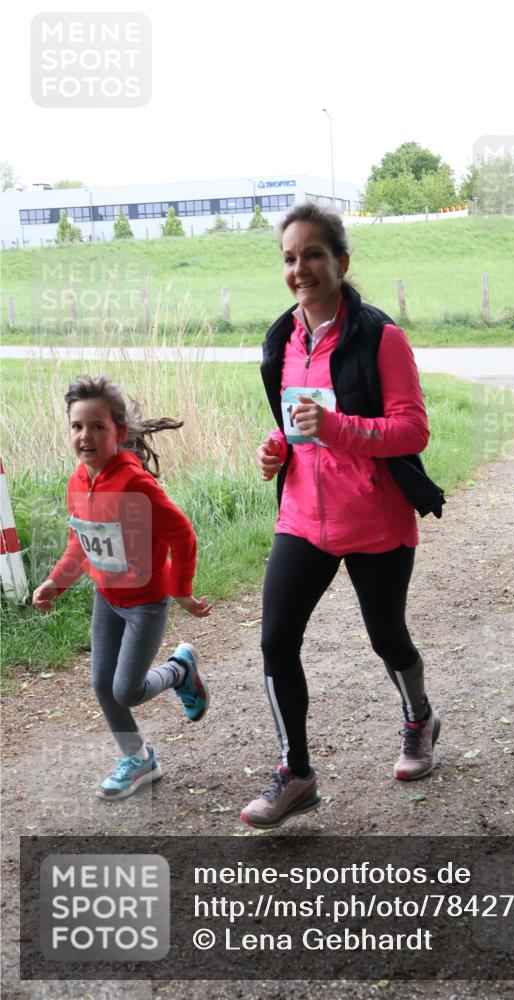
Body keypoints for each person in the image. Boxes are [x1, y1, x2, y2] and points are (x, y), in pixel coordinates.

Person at [241, 202, 443, 830]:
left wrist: (335, 428)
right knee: (276, 639)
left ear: (341, 261)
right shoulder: (281, 341)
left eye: (313, 255)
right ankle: (296, 772)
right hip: (303, 516)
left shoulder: (381, 337)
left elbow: (412, 430)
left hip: (375, 518)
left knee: (387, 637)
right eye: (289, 258)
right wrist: (278, 448)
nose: (299, 269)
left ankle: (419, 718)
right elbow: (295, 427)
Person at [32, 375, 212, 801]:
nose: (86, 436)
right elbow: (80, 543)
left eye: (98, 426)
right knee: (102, 685)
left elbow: (182, 534)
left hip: (146, 602)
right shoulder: (77, 482)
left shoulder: (135, 484)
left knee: (126, 690)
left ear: (119, 432)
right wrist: (56, 582)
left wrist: (181, 589)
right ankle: (139, 759)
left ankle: (180, 670)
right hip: (107, 599)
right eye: (77, 426)